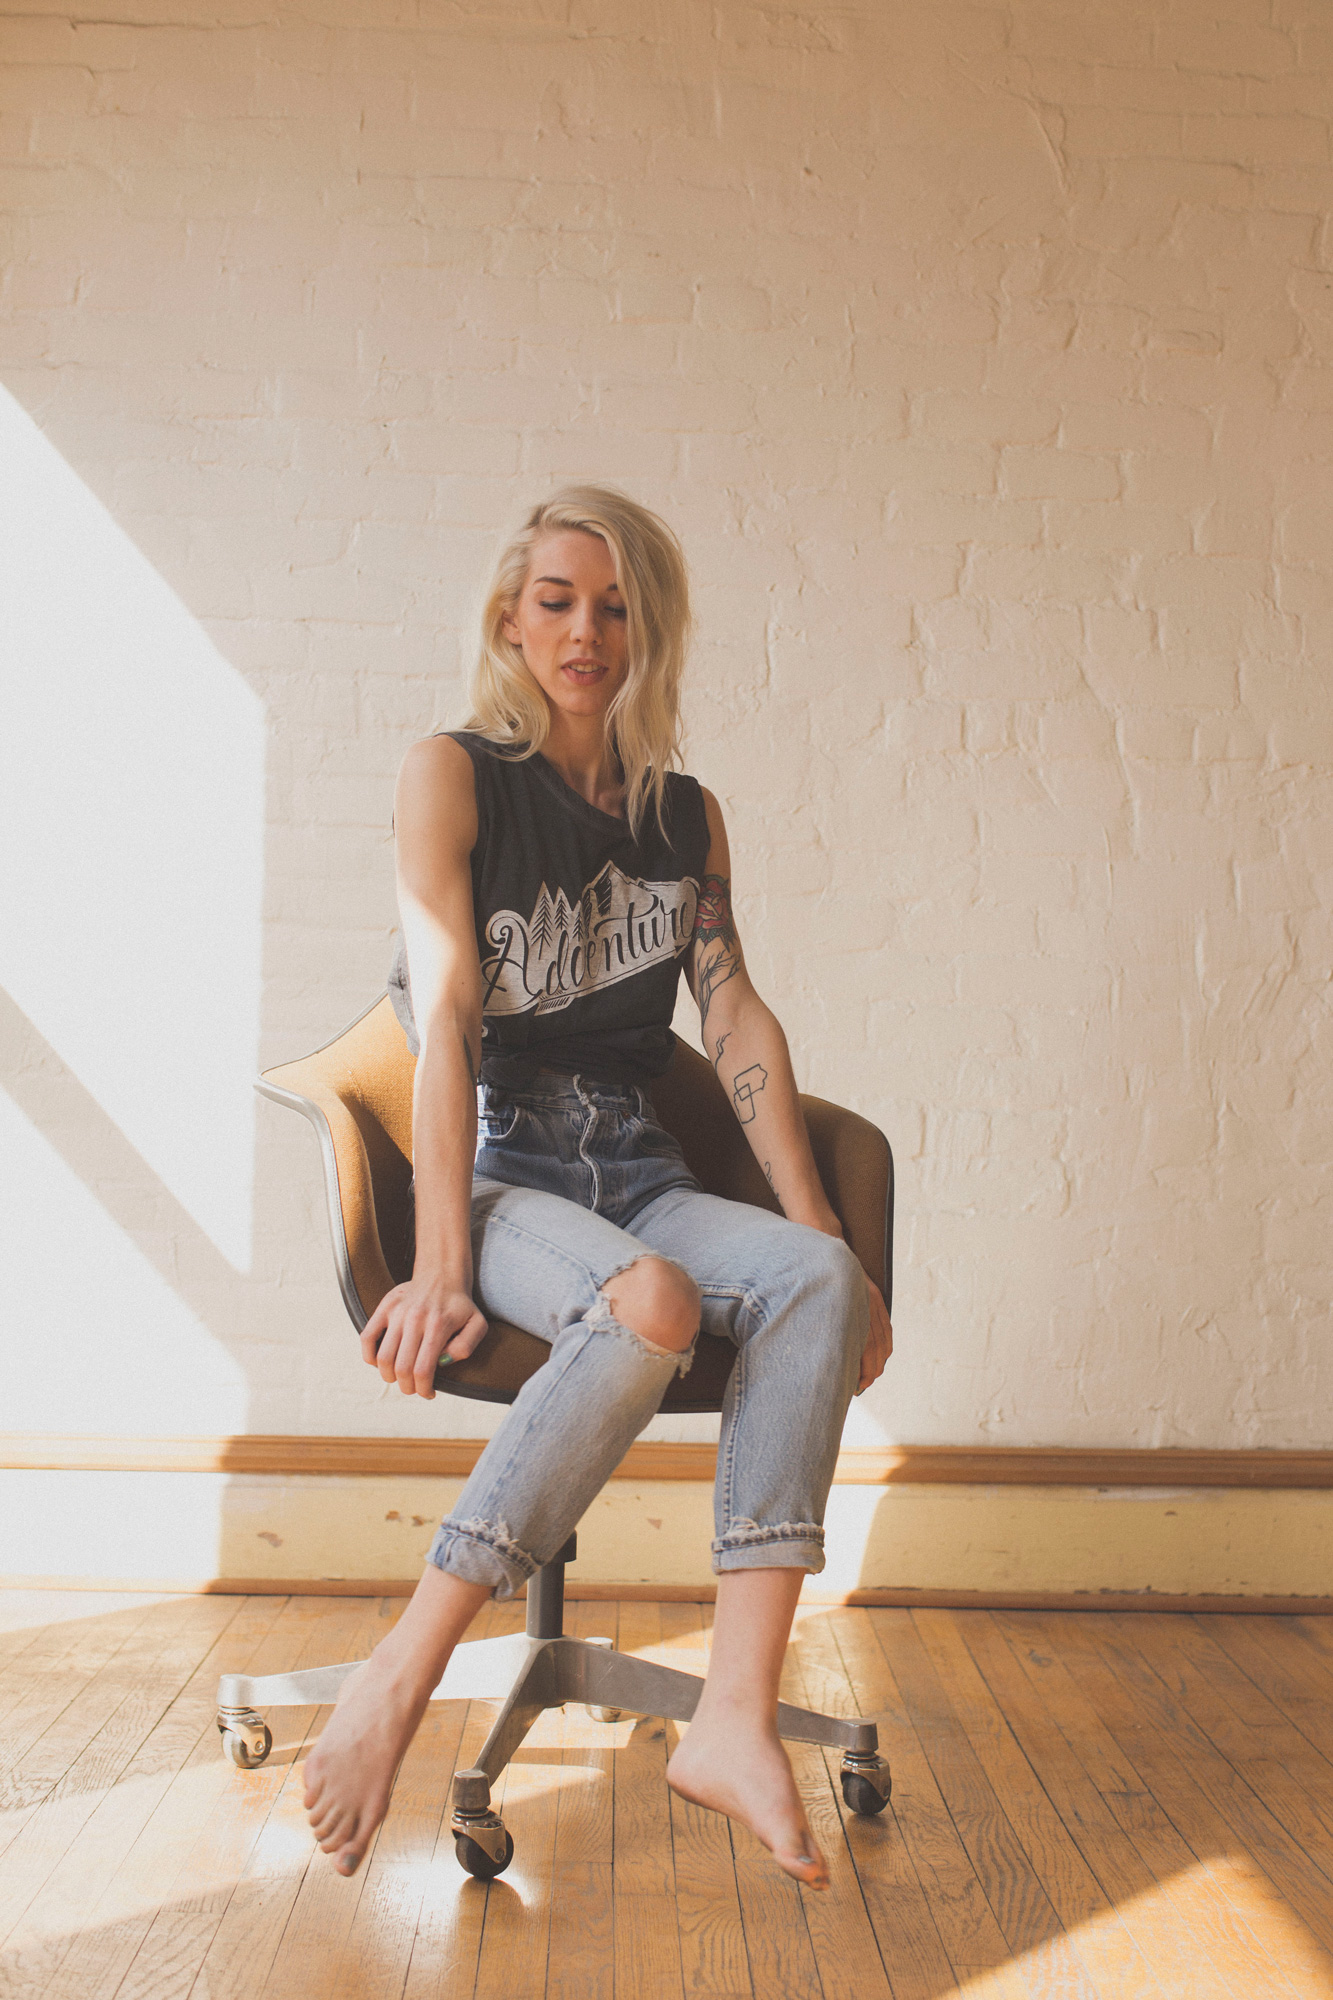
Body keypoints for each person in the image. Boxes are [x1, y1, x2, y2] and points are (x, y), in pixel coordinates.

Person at [302, 485, 893, 1887]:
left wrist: (823, 1233)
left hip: (635, 1159)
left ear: (651, 632)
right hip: (501, 1165)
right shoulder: (455, 775)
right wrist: (439, 1262)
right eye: (558, 601)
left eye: (617, 607)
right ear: (511, 620)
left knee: (813, 1277)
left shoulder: (684, 818)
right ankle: (402, 1669)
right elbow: (447, 1017)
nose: (585, 632)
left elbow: (732, 1010)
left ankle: (732, 1717)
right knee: (652, 1301)